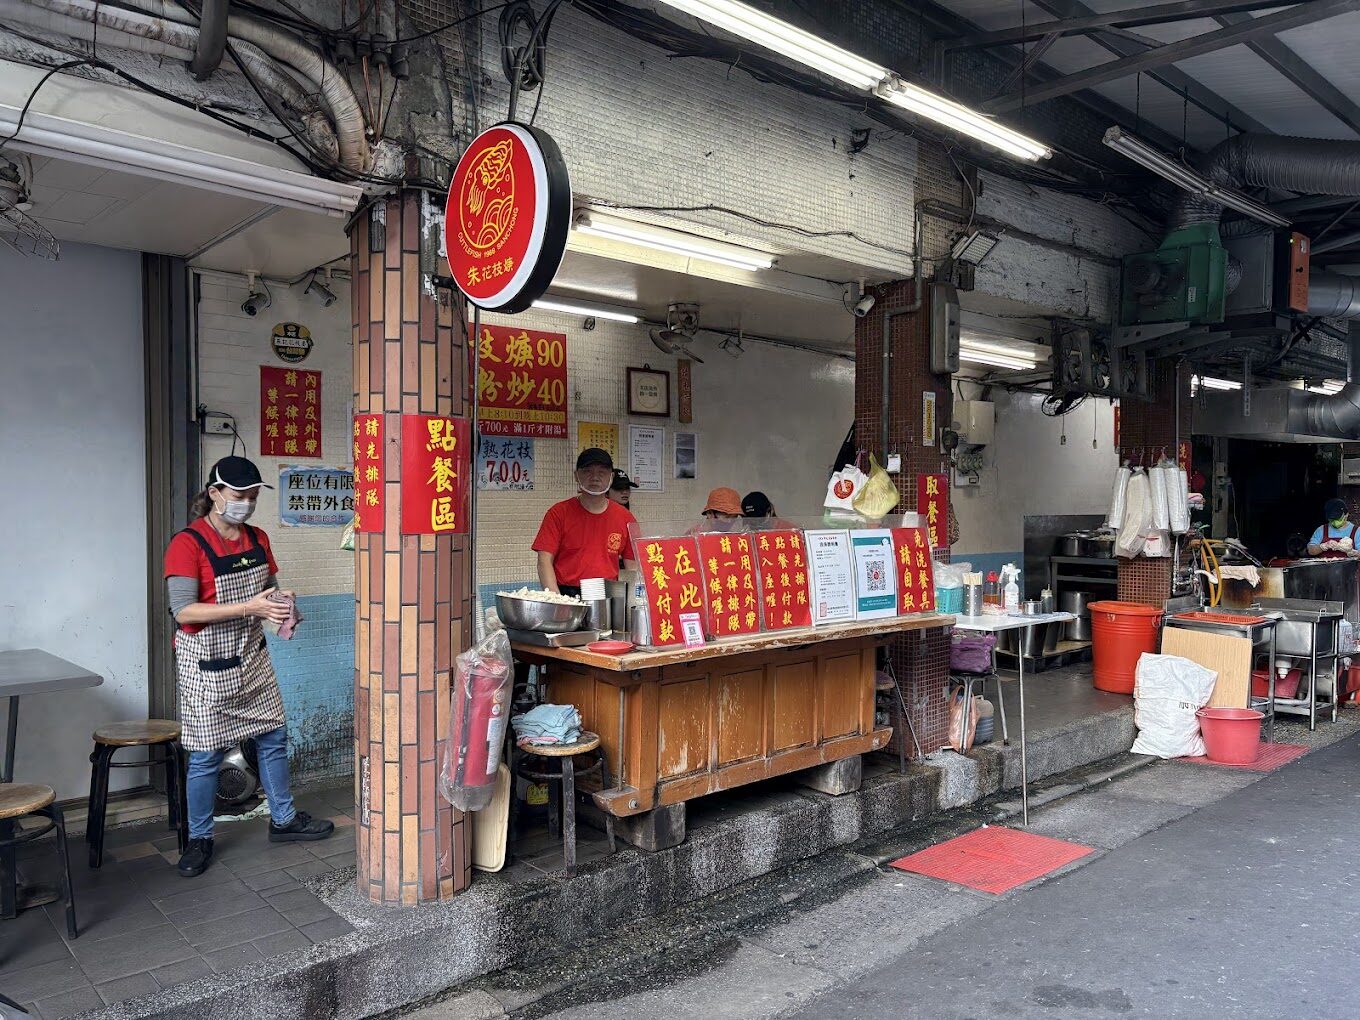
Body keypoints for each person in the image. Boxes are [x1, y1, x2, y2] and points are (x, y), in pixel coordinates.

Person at [164, 456, 334, 878]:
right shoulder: (187, 544)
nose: (247, 504)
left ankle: (284, 819)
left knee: (273, 737)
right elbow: (183, 610)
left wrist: (281, 604)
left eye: (254, 496)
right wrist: (249, 607)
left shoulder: (257, 538)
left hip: (251, 655)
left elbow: (268, 589)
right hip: (206, 662)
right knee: (205, 756)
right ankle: (199, 838)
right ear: (215, 494)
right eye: (240, 495)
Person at [535, 448, 638, 597]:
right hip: (567, 596)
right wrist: (556, 600)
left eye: (602, 472)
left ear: (611, 476)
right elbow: (544, 560)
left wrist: (631, 602)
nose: (595, 477)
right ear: (576, 475)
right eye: (587, 471)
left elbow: (633, 567)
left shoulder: (626, 518)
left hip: (609, 596)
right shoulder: (558, 513)